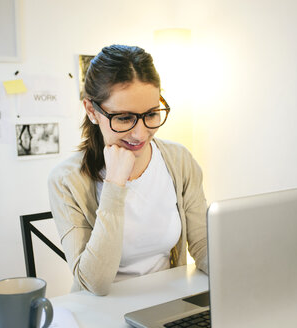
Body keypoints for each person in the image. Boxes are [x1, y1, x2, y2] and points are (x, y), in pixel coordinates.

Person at [48, 45, 208, 296]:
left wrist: (247, 270)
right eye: (124, 118)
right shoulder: (66, 180)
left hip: (168, 304)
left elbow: (203, 246)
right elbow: (95, 283)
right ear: (92, 110)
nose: (140, 134)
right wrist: (114, 184)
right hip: (99, 311)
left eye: (152, 114)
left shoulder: (179, 160)